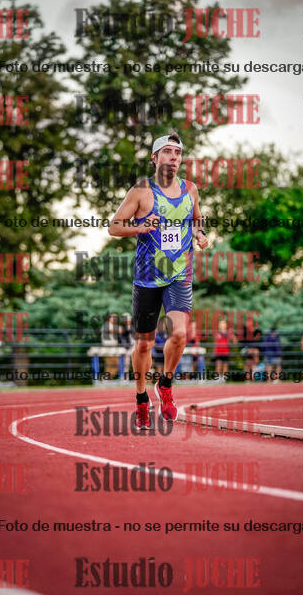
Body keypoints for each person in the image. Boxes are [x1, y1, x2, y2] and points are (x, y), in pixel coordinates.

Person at [108, 132, 209, 428]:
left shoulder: (190, 189)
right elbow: (114, 227)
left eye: (177, 153)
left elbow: (196, 218)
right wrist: (140, 227)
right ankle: (141, 397)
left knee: (179, 335)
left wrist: (200, 233)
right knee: (144, 344)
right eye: (167, 152)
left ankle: (165, 385)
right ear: (154, 158)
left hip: (180, 273)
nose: (173, 157)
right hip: (148, 277)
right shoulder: (141, 190)